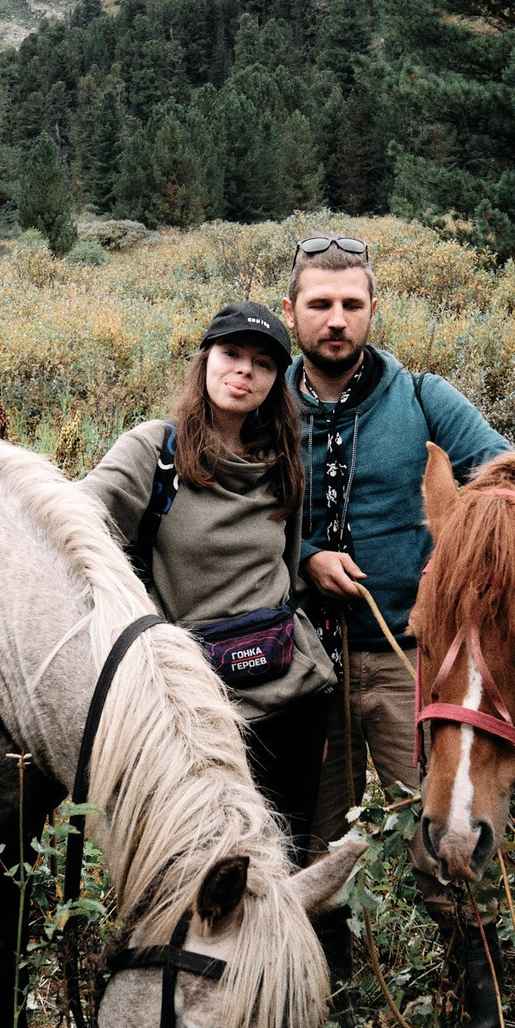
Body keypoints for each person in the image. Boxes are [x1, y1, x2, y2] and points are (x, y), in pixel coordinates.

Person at [283, 236, 512, 1028]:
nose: (336, 320)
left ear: (373, 309)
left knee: (445, 831)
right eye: (320, 304)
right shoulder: (264, 406)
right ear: (292, 313)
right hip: (305, 668)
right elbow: (239, 511)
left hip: (412, 664)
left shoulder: (424, 399)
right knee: (314, 841)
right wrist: (306, 557)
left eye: (352, 304)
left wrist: (454, 559)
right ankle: (331, 997)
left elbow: (506, 477)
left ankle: (479, 1012)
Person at [80, 301, 337, 862]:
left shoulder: (283, 458)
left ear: (276, 381)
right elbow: (73, 522)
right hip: (199, 710)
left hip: (290, 699)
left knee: (286, 865)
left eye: (264, 364)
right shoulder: (156, 451)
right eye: (232, 354)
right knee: (206, 868)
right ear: (204, 361)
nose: (245, 372)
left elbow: (287, 571)